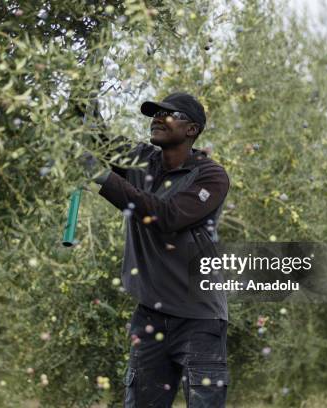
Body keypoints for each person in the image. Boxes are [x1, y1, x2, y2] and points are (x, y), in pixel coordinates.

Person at [84, 92, 230, 407]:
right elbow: (96, 138)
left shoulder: (210, 176)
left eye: (169, 114)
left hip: (200, 319)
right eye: (155, 113)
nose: (157, 119)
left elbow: (167, 217)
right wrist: (84, 93)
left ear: (191, 129)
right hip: (150, 316)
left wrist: (101, 177)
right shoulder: (140, 158)